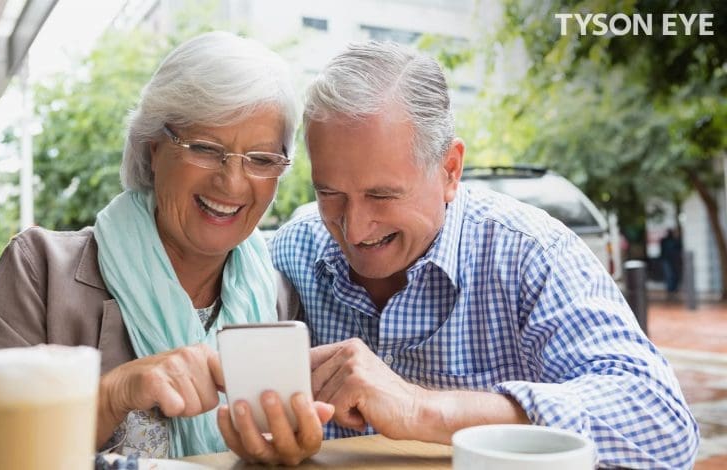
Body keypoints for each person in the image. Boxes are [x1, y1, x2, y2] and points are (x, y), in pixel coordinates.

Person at [266, 41, 699, 468]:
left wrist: (422, 409)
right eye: (331, 194)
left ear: (450, 170)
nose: (354, 228)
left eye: (382, 195)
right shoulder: (294, 250)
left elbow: (662, 424)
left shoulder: (530, 253)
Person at [0, 32, 331, 467]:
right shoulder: (39, 271)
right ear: (153, 149)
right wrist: (110, 395)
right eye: (206, 149)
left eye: (262, 159)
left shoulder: (278, 298)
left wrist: (285, 452)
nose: (231, 183)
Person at [660, 228, 683, 295]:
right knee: (669, 275)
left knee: (673, 275)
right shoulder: (664, 241)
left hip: (673, 261)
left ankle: (673, 288)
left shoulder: (675, 241)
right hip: (666, 260)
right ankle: (670, 289)